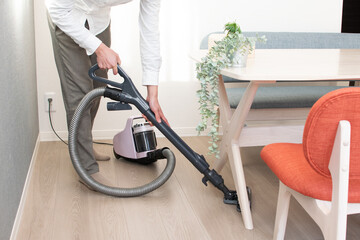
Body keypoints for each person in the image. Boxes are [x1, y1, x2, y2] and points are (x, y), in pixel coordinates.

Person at [46, 0, 168, 186]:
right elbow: (57, 9)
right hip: (67, 15)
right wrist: (100, 48)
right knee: (79, 94)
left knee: (97, 87)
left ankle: (85, 145)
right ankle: (86, 169)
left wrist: (153, 93)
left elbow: (150, 31)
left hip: (98, 20)